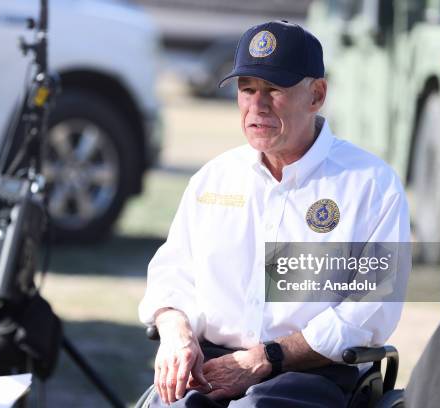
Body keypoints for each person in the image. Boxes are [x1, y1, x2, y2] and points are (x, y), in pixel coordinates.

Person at [139, 20, 410, 407]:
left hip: (310, 375)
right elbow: (173, 273)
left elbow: (371, 309)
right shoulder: (213, 179)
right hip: (208, 365)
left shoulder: (370, 184)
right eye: (247, 90)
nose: (257, 106)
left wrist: (266, 359)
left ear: (316, 95)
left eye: (274, 90)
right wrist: (175, 330)